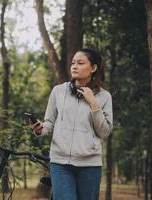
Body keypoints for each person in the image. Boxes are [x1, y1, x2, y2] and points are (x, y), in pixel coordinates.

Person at [30, 48, 113, 200]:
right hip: (60, 163)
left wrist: (93, 103)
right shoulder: (58, 91)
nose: (74, 66)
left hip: (90, 165)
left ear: (93, 68)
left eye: (80, 63)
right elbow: (49, 124)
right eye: (73, 63)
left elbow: (105, 132)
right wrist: (40, 129)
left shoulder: (104, 96)